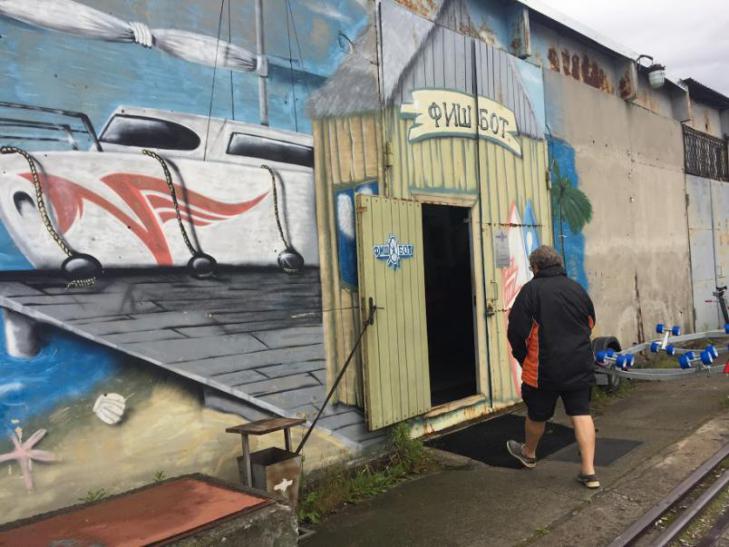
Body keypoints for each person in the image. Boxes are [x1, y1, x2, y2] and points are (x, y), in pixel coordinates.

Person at [505, 245, 599, 488]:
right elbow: (590, 322)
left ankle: (529, 453)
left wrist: (524, 358)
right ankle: (589, 472)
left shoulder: (530, 291)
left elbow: (516, 332)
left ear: (536, 267)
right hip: (579, 364)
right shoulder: (577, 289)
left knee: (537, 413)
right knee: (581, 413)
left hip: (543, 368)